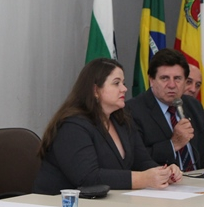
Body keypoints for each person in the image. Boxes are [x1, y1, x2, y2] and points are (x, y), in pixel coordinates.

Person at [33, 58, 181, 196]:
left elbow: (142, 161)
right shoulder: (72, 126)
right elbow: (88, 178)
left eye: (123, 83)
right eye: (116, 83)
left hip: (109, 203)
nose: (124, 89)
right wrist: (143, 179)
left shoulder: (123, 121)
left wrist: (163, 172)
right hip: (62, 206)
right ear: (95, 90)